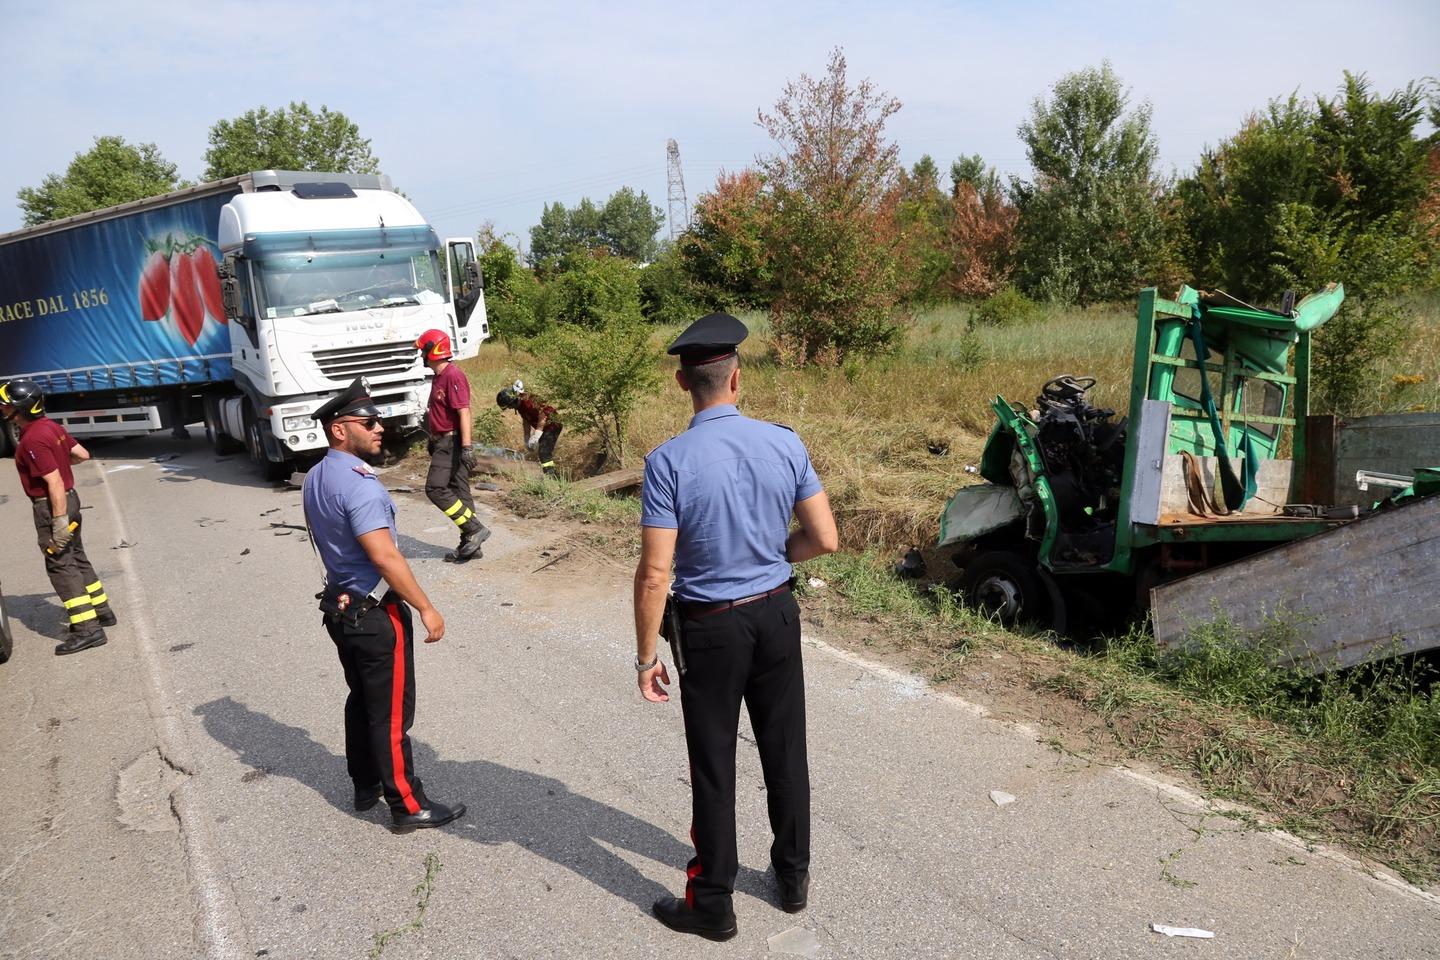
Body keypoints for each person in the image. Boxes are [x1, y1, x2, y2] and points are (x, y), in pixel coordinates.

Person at [632, 313, 839, 942]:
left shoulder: (667, 462)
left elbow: (654, 574)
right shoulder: (785, 442)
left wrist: (645, 659)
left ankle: (714, 903)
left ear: (681, 382)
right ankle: (793, 877)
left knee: (715, 766)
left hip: (710, 629)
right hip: (776, 613)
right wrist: (775, 556)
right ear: (736, 378)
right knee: (785, 748)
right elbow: (825, 538)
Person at [302, 377, 465, 829]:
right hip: (374, 614)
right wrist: (426, 607)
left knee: (362, 699)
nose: (380, 428)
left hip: (340, 608)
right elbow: (384, 555)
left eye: (379, 421)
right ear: (339, 429)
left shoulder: (317, 475)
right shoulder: (361, 486)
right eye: (369, 422)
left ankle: (365, 784)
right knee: (392, 714)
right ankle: (408, 805)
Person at [1, 379, 117, 656]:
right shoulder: (52, 427)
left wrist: (58, 520)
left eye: (5, 404)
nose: (1, 408)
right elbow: (82, 454)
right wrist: (62, 464)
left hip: (52, 505)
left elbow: (52, 481)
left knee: (60, 565)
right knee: (76, 556)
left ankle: (88, 631)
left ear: (18, 409)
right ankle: (102, 612)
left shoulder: (31, 439)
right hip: (71, 497)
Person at [415, 329, 490, 563]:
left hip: (452, 441)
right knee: (459, 490)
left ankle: (473, 529)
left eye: (423, 350)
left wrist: (467, 447)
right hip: (442, 440)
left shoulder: (453, 375)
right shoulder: (439, 376)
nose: (421, 355)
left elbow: (464, 411)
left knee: (435, 488)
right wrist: (432, 438)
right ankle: (470, 544)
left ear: (433, 351)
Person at [496, 380, 563, 477]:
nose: (510, 408)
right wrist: (526, 437)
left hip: (553, 425)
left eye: (510, 406)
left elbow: (543, 415)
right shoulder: (520, 406)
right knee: (543, 452)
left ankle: (551, 476)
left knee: (544, 452)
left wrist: (537, 434)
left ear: (513, 401)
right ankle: (552, 474)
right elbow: (526, 420)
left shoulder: (529, 401)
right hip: (544, 427)